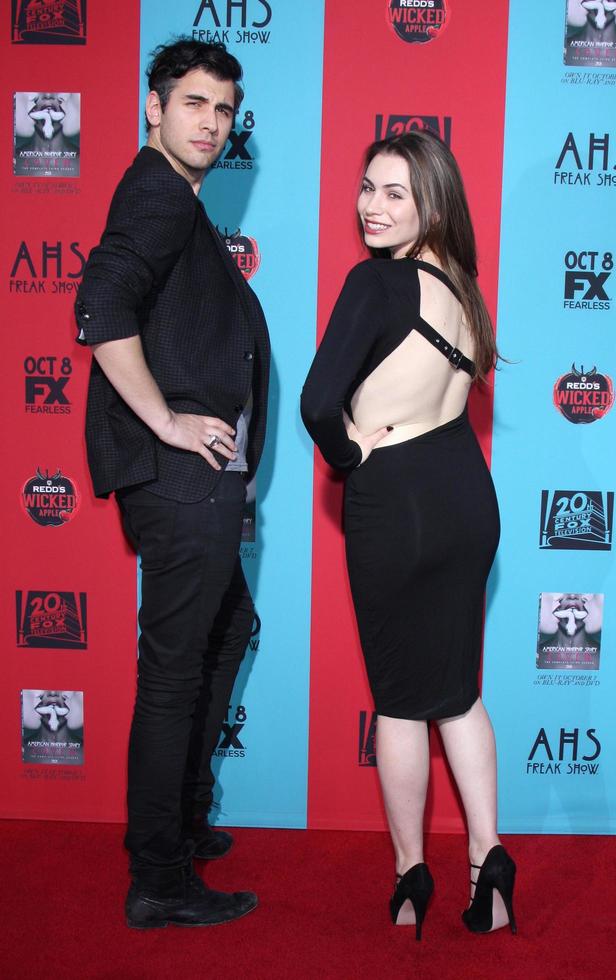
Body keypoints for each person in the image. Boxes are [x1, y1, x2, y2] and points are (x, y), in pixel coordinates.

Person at [74, 38, 270, 929]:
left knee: (229, 631)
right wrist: (165, 421)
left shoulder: (176, 202)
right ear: (154, 107)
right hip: (179, 476)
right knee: (173, 676)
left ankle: (182, 822)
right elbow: (101, 305)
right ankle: (157, 875)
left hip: (206, 480)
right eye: (194, 103)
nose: (211, 124)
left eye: (224, 110)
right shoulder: (155, 189)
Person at [301, 130, 516, 940]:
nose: (372, 206)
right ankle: (489, 865)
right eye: (367, 188)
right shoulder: (463, 289)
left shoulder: (376, 284)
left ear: (432, 202)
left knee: (399, 703)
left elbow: (320, 402)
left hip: (399, 500)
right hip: (467, 495)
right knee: (457, 692)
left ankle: (408, 878)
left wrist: (347, 451)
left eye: (396, 192)